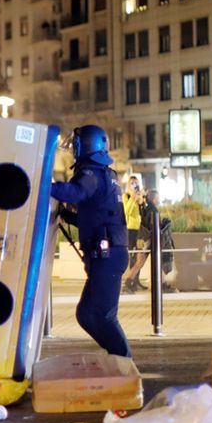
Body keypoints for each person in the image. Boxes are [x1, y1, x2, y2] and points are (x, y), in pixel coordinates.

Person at [52, 125, 131, 358]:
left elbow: (74, 193)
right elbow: (97, 218)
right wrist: (67, 217)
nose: (73, 149)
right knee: (86, 314)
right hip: (106, 254)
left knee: (103, 315)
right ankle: (116, 358)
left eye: (75, 144)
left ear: (85, 146)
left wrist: (43, 186)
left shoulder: (92, 174)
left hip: (108, 256)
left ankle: (124, 361)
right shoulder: (103, 174)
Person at [122, 175, 145, 293]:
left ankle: (137, 280)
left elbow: (144, 210)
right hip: (130, 229)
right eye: (132, 183)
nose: (134, 185)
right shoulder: (126, 196)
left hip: (141, 230)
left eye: (136, 183)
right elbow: (127, 212)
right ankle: (131, 282)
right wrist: (133, 199)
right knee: (132, 255)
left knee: (139, 256)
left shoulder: (141, 196)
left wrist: (141, 199)